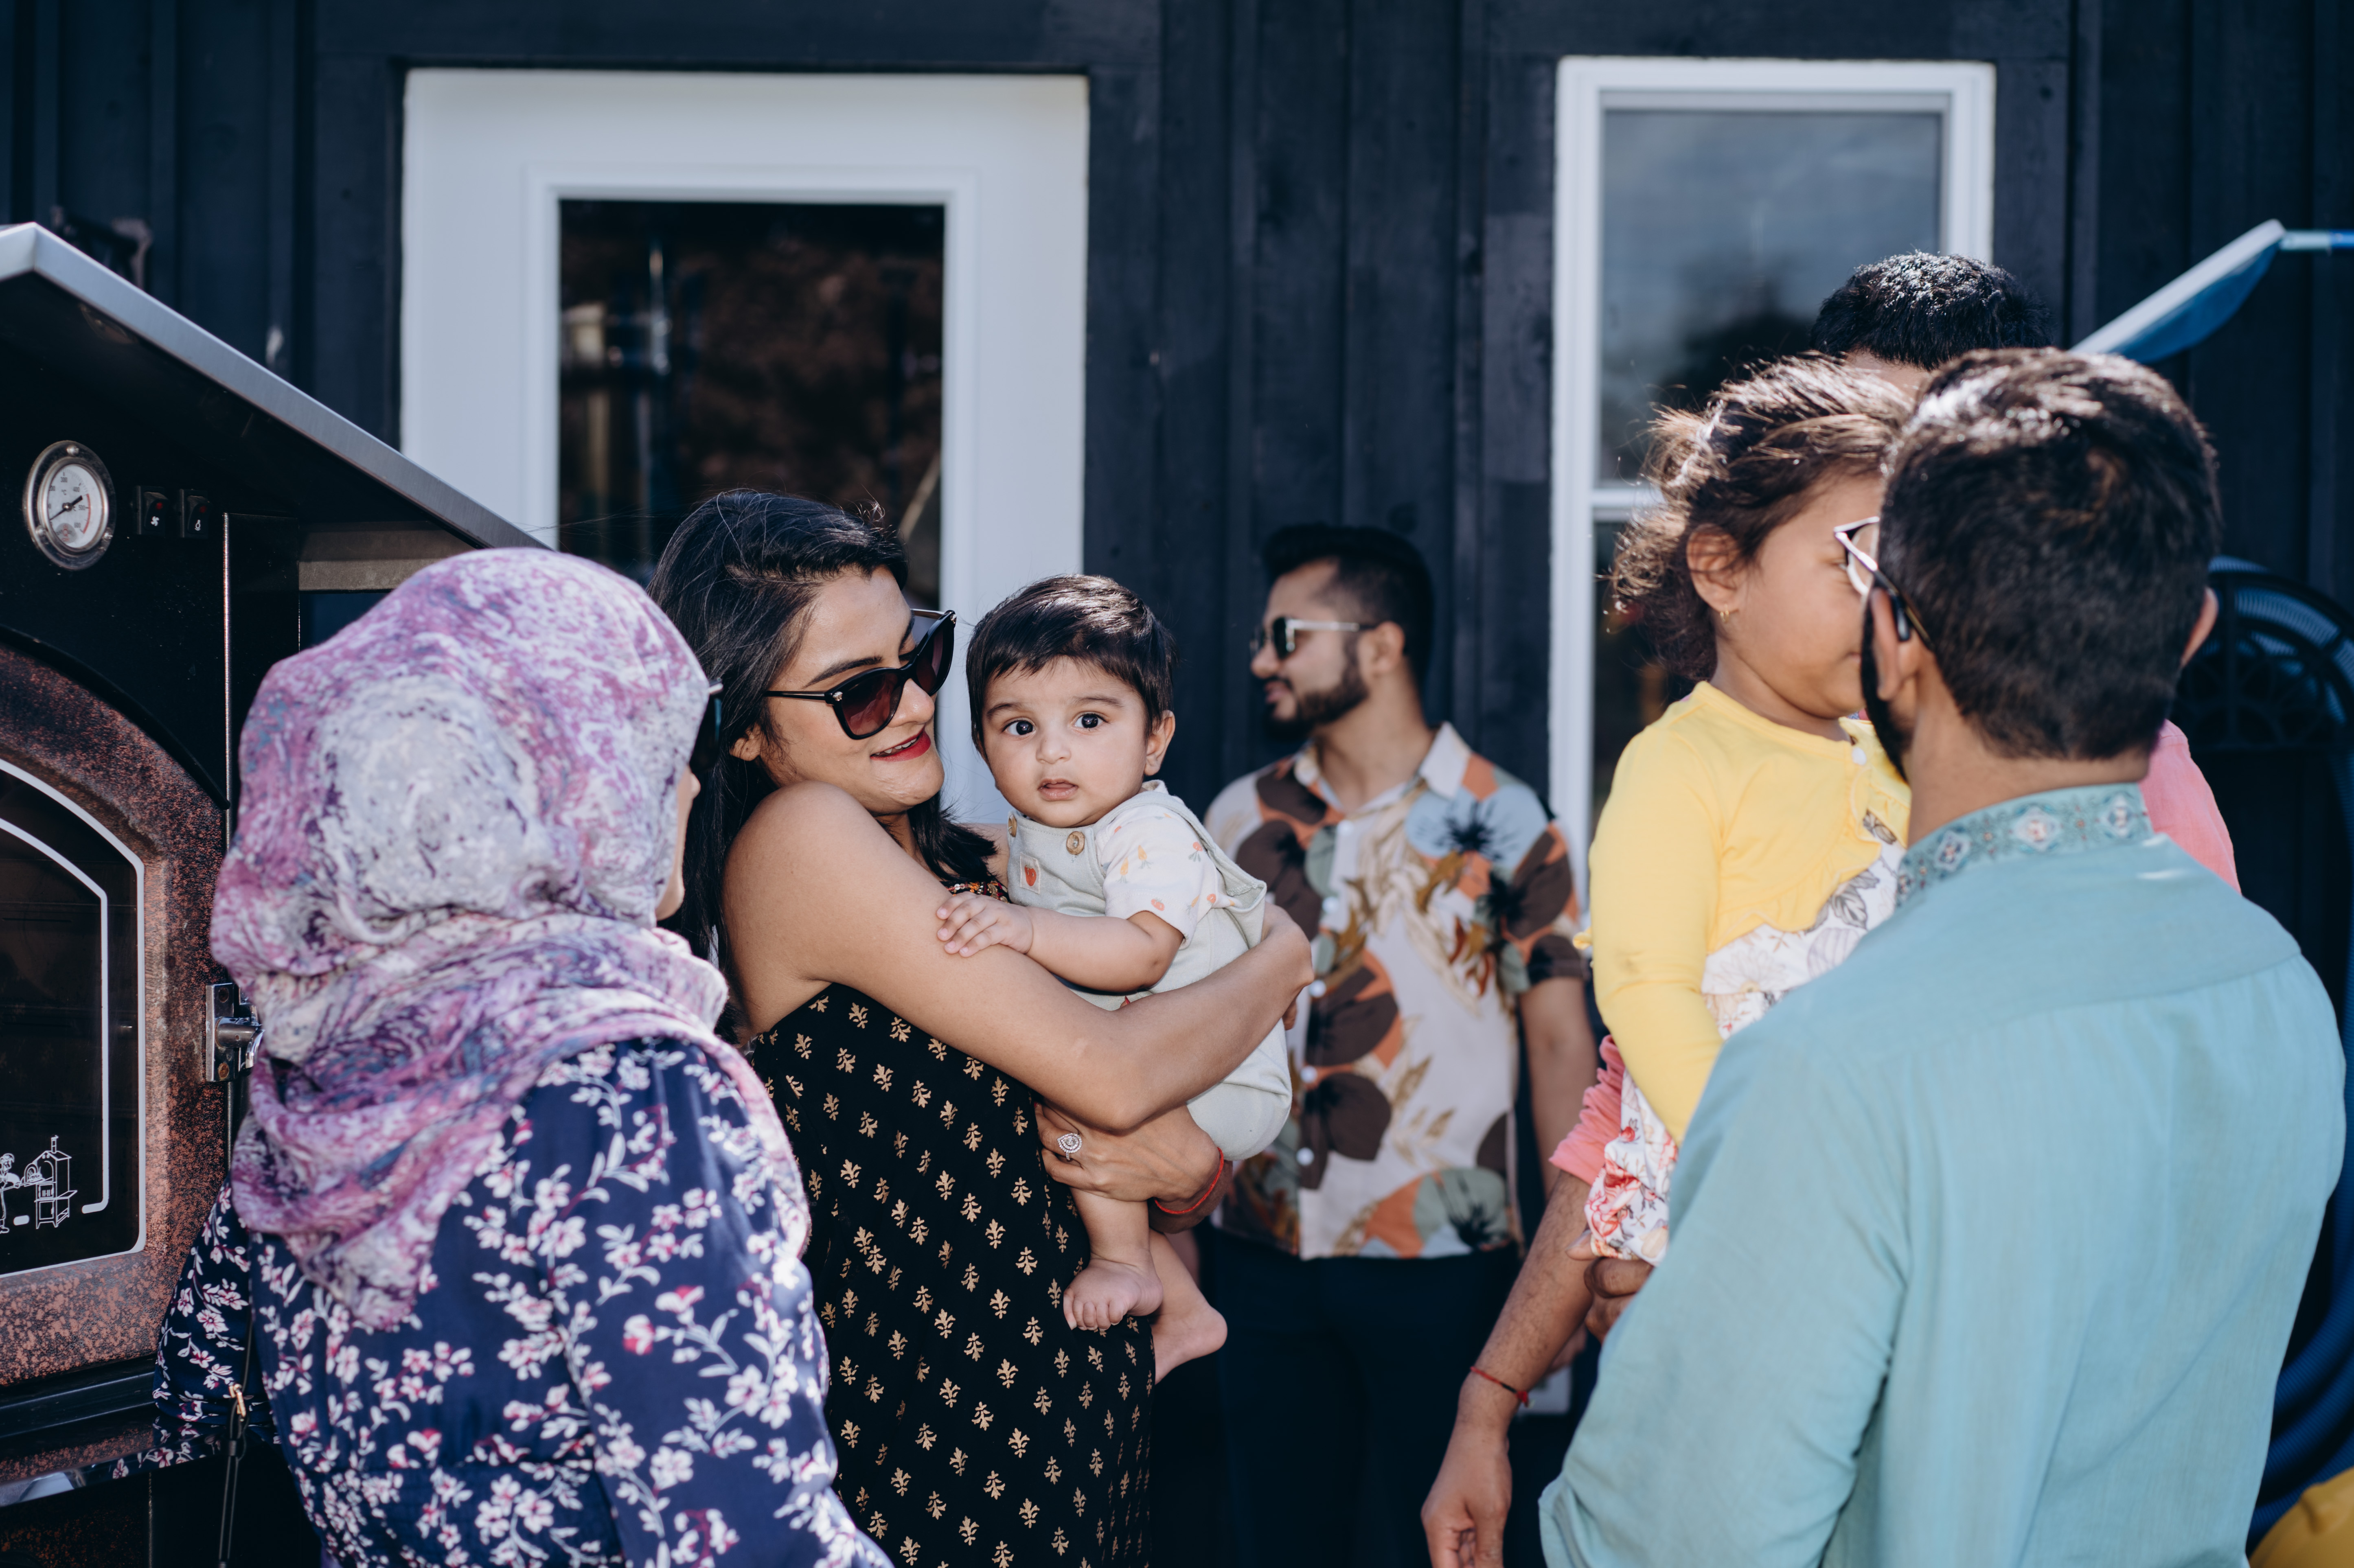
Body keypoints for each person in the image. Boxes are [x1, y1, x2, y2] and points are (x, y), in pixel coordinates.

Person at [1542, 349, 2344, 1565]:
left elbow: (1663, 1539)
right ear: (2191, 633)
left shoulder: (1826, 1067)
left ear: (1892, 632)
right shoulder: (2274, 992)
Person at [150, 550, 886, 1566]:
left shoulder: (318, 1066)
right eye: (652, 742)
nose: (685, 781)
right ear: (558, 780)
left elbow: (192, 1396)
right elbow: (747, 1538)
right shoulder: (631, 1090)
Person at [647, 493, 1311, 1568]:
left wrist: (1181, 1164)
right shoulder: (803, 837)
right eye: (859, 691)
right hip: (945, 1448)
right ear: (751, 728)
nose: (914, 701)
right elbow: (1113, 1071)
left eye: (919, 655)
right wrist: (1282, 955)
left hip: (1069, 1419)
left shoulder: (970, 860)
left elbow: (1154, 1134)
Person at [1422, 357, 1913, 1566]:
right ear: (1719, 569)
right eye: (1857, 557)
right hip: (1727, 1202)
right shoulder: (1681, 763)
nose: (1891, 599)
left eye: (1909, 564)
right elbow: (1643, 996)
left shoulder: (1904, 756)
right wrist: (1760, 1165)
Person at [1201, 524, 1593, 1568]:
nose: (1260, 660)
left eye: (1285, 636)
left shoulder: (1505, 820)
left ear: (1379, 647)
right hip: (1258, 1256)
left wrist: (1564, 1262)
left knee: (1450, 1544)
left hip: (1444, 1265)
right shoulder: (1237, 818)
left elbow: (1561, 1044)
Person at [934, 576, 1291, 1375]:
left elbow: (1143, 953)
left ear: (1154, 740)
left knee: (1075, 1090)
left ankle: (1128, 1264)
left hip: (1223, 1074)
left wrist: (1026, 929)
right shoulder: (1047, 828)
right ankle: (1186, 1310)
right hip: (1165, 1062)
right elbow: (1007, 851)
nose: (1052, 751)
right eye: (1018, 726)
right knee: (1059, 1096)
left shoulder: (1146, 829)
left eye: (1089, 721)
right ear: (982, 745)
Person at [1812, 250, 2240, 887]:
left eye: (1942, 449)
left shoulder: (2125, 765)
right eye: (1870, 436)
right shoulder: (1770, 720)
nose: (1902, 482)